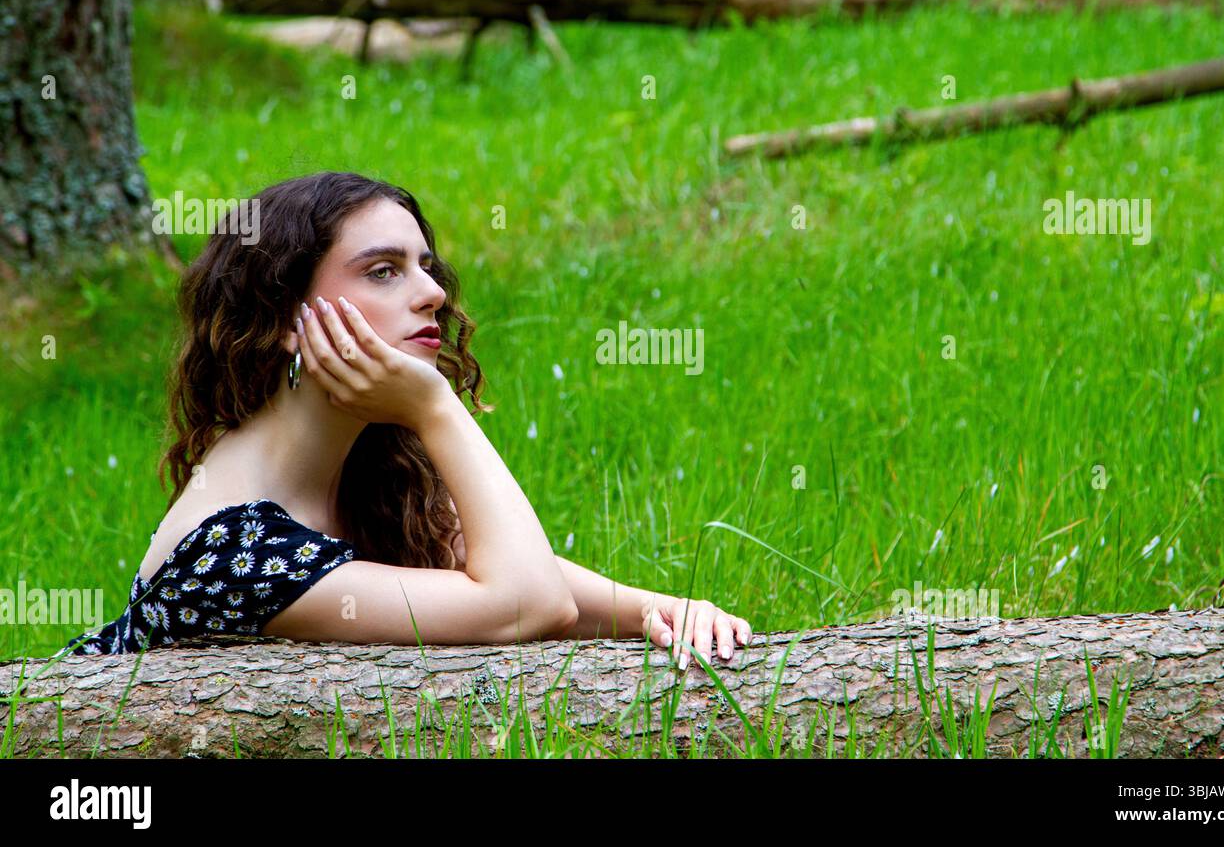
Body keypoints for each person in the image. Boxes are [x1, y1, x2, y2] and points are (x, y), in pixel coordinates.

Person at [61, 171, 750, 669]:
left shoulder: (362, 467)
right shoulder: (233, 547)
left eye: (424, 266)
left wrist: (657, 609)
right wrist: (435, 407)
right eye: (383, 271)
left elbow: (498, 561)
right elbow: (528, 603)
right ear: (286, 318)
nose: (432, 293)